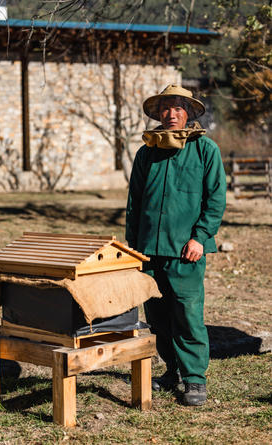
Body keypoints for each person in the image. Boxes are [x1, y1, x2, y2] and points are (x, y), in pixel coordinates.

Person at [126, 84, 227, 406]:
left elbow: (215, 199)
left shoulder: (205, 150)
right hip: (148, 251)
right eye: (165, 108)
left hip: (186, 251)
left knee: (187, 314)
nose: (171, 114)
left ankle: (195, 379)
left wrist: (200, 236)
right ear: (157, 114)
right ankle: (172, 371)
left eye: (178, 108)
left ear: (189, 114)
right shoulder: (147, 152)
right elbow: (135, 203)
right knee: (157, 315)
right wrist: (133, 247)